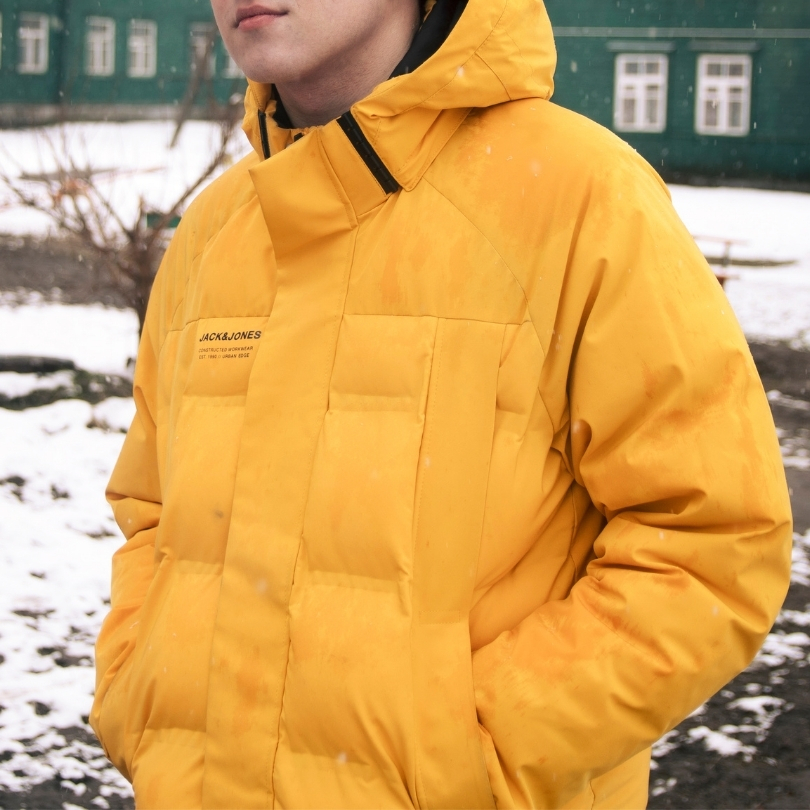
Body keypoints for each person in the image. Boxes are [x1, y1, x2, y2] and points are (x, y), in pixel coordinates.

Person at [90, 0, 793, 806]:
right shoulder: (215, 233)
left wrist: (466, 753)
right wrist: (142, 696)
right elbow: (153, 514)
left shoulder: (581, 198)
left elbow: (710, 542)